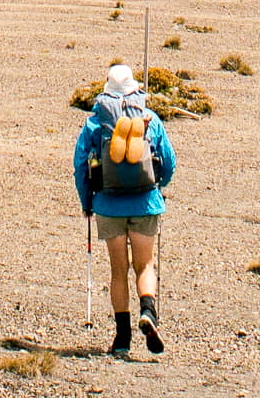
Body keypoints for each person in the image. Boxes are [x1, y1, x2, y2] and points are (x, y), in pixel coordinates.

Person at [73, 63, 176, 357]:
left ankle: (122, 339)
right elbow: (168, 163)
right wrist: (158, 186)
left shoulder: (94, 124)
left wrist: (87, 203)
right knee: (145, 265)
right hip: (146, 202)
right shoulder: (150, 119)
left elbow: (80, 166)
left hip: (108, 205)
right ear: (134, 90)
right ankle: (148, 311)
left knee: (119, 270)